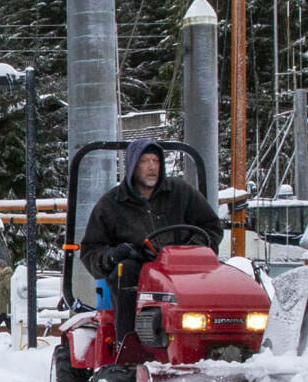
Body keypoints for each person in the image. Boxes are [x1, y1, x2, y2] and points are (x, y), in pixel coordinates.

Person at [78, 137, 224, 349]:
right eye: (144, 161)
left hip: (184, 268)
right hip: (138, 271)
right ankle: (128, 347)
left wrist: (193, 247)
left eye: (155, 161)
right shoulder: (111, 205)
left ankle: (217, 344)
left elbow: (212, 227)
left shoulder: (181, 193)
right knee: (124, 271)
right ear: (132, 166)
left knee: (223, 274)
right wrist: (112, 255)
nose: (151, 167)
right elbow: (91, 251)